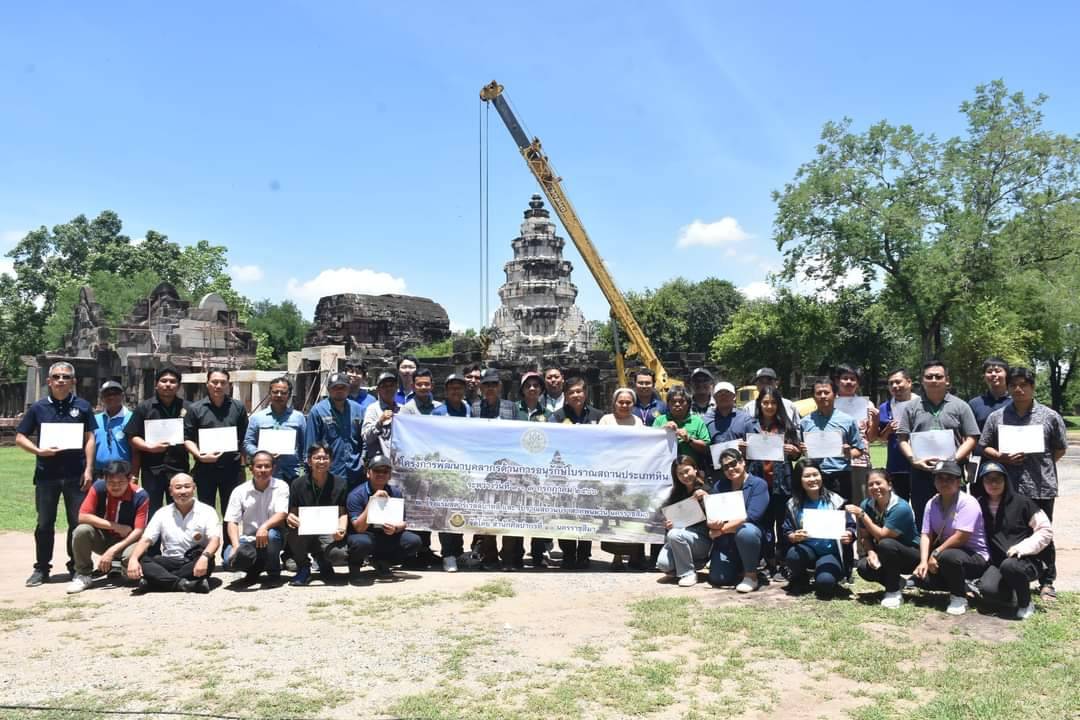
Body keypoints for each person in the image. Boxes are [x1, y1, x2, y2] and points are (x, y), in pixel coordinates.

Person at [977, 366, 1066, 601]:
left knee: (1042, 533)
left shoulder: (1049, 416)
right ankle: (1012, 574)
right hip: (1009, 488)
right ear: (1008, 388)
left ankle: (1047, 582)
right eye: (1014, 385)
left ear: (1032, 387)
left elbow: (1059, 448)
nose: (1018, 389)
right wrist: (1001, 458)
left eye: (1024, 384)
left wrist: (1040, 463)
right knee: (1009, 533)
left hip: (1040, 485)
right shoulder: (998, 417)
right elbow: (983, 445)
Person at [16, 361, 96, 587]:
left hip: (76, 474)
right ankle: (42, 568)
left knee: (77, 523)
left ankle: (77, 567)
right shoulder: (38, 408)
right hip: (46, 475)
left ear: (73, 382)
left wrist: (89, 468)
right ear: (49, 381)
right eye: (57, 377)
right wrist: (38, 450)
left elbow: (90, 438)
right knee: (44, 523)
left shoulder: (82, 406)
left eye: (66, 377)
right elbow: (21, 437)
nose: (61, 380)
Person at [897, 361, 979, 528]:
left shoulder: (961, 406)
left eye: (938, 376)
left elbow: (972, 437)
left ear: (947, 380)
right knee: (923, 516)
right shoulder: (911, 407)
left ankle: (952, 553)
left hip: (951, 471)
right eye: (929, 377)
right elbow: (902, 439)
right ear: (922, 380)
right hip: (921, 472)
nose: (934, 380)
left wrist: (954, 458)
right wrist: (913, 460)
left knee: (954, 517)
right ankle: (925, 552)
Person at [975, 461, 1052, 619]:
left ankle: (1025, 603)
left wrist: (1022, 548)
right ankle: (1013, 593)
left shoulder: (1023, 503)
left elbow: (1045, 530)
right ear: (982, 482)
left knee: (1011, 566)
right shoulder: (979, 505)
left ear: (1006, 481)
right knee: (988, 590)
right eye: (988, 479)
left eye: (998, 479)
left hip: (1026, 560)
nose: (993, 483)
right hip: (998, 563)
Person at [912, 460, 989, 616]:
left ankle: (959, 597)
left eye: (950, 478)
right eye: (940, 478)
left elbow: (961, 537)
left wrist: (935, 554)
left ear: (959, 481)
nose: (944, 482)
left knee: (949, 557)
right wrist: (922, 561)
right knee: (921, 577)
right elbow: (926, 534)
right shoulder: (931, 503)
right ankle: (961, 585)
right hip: (947, 553)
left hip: (974, 555)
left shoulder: (968, 502)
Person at [126, 473, 221, 594]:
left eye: (187, 486)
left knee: (209, 559)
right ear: (171, 491)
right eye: (178, 487)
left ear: (194, 488)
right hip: (169, 561)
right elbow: (146, 539)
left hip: (194, 561)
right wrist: (133, 559)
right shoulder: (162, 513)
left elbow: (215, 540)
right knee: (143, 560)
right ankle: (186, 584)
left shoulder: (207, 511)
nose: (183, 491)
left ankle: (157, 581)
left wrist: (204, 558)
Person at [67, 460, 150, 594]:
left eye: (120, 483)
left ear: (130, 479)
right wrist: (116, 526)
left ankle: (120, 567)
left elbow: (139, 530)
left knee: (130, 573)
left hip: (128, 542)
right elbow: (83, 516)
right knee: (81, 530)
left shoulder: (140, 495)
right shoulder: (98, 487)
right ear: (104, 479)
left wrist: (112, 551)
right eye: (111, 483)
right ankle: (83, 574)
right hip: (103, 538)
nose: (115, 487)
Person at [745, 387, 801, 577]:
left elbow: (797, 453)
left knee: (783, 524)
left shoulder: (787, 426)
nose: (769, 406)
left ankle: (783, 562)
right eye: (765, 402)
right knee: (764, 524)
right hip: (759, 482)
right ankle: (768, 562)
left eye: (773, 403)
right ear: (759, 404)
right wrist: (742, 448)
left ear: (779, 405)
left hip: (782, 482)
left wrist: (794, 451)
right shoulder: (751, 425)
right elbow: (743, 455)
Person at [548, 376, 604, 569]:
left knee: (586, 509)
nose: (576, 395)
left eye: (579, 391)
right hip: (566, 473)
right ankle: (569, 553)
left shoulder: (598, 416)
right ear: (565, 395)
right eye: (571, 392)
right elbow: (550, 443)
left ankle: (584, 554)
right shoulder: (556, 417)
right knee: (567, 512)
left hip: (589, 474)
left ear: (585, 393)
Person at [846, 468, 919, 608]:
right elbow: (865, 537)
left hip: (911, 555)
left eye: (878, 483)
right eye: (870, 484)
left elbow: (881, 535)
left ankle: (893, 592)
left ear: (889, 485)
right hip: (887, 552)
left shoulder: (900, 507)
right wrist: (871, 553)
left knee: (886, 544)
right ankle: (897, 582)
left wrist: (862, 516)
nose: (875, 487)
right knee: (863, 567)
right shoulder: (866, 505)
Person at [472, 369, 523, 569]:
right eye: (486, 385)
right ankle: (490, 557)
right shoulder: (475, 408)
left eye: (494, 384)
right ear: (481, 388)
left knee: (508, 515)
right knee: (489, 513)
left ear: (500, 387)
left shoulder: (511, 408)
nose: (490, 388)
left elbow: (519, 433)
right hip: (486, 465)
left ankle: (508, 558)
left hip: (508, 463)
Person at [782, 462, 855, 597]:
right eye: (807, 476)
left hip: (831, 553)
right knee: (793, 555)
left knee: (825, 583)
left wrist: (849, 534)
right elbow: (787, 530)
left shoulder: (836, 501)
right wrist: (793, 536)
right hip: (807, 550)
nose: (812, 479)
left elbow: (850, 525)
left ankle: (825, 574)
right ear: (799, 480)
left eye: (815, 475)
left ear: (821, 476)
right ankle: (801, 577)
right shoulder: (793, 504)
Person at [183, 368, 249, 518]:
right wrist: (199, 455)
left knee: (231, 511)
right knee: (206, 511)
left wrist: (243, 466)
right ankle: (207, 542)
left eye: (222, 382)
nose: (218, 386)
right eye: (214, 382)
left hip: (232, 468)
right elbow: (187, 438)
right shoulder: (195, 409)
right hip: (205, 468)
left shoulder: (238, 407)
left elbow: (244, 437)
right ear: (207, 384)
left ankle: (229, 542)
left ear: (228, 385)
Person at [125, 366, 190, 516]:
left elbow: (193, 436)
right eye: (164, 381)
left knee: (180, 509)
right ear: (156, 384)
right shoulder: (144, 408)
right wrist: (149, 447)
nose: (168, 384)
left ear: (178, 386)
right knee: (152, 510)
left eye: (173, 381)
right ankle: (153, 540)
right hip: (152, 469)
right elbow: (132, 437)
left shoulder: (188, 408)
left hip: (178, 467)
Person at [346, 453, 421, 579]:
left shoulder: (395, 492)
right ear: (368, 473)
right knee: (361, 543)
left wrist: (395, 529)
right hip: (365, 535)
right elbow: (359, 528)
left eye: (385, 471)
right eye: (376, 470)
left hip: (386, 535)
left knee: (414, 541)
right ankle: (354, 566)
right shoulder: (356, 495)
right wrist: (372, 502)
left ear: (390, 475)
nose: (381, 474)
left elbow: (403, 522)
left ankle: (383, 562)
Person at [285, 443, 349, 586]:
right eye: (317, 458)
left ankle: (323, 560)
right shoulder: (297, 484)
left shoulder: (340, 483)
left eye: (325, 458)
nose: (321, 462)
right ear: (309, 461)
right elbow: (293, 512)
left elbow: (343, 513)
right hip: (305, 530)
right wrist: (290, 518)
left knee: (340, 555)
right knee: (292, 528)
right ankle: (303, 567)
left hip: (329, 531)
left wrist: (342, 529)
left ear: (330, 461)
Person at [222, 450, 289, 585]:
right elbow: (232, 521)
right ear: (251, 468)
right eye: (259, 466)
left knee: (271, 535)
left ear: (273, 468)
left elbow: (282, 514)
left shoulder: (281, 486)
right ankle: (255, 569)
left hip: (273, 535)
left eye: (267, 466)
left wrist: (264, 527)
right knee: (228, 563)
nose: (263, 470)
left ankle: (274, 573)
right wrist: (236, 547)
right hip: (249, 539)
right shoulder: (239, 491)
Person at [707, 449, 769, 593]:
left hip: (749, 536)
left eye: (733, 463)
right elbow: (711, 515)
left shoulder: (759, 484)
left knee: (746, 530)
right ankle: (739, 567)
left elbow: (751, 516)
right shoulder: (719, 486)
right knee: (718, 579)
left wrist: (721, 530)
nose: (730, 469)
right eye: (725, 467)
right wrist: (712, 525)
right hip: (726, 541)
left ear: (743, 462)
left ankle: (751, 576)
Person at [598, 387, 647, 571]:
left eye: (628, 402)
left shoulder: (638, 422)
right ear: (614, 403)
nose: (625, 405)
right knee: (613, 512)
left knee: (631, 513)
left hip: (632, 474)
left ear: (633, 404)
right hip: (610, 474)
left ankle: (635, 557)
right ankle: (617, 557)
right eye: (621, 402)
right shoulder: (606, 420)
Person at [429, 374, 472, 572]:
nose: (457, 391)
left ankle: (459, 551)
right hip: (444, 471)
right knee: (444, 511)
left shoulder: (468, 410)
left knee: (460, 510)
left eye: (460, 388)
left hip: (463, 469)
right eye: (452, 388)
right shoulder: (438, 413)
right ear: (446, 391)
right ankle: (448, 554)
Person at [797, 378, 864, 501]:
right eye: (819, 393)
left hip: (840, 475)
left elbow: (859, 449)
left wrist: (848, 453)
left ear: (835, 395)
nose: (823, 396)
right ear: (813, 397)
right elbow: (800, 450)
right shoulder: (805, 422)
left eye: (826, 392)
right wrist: (802, 450)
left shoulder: (848, 420)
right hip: (815, 476)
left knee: (841, 515)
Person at [656, 455, 711, 587]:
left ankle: (688, 573)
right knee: (663, 564)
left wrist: (708, 498)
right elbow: (665, 514)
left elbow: (719, 514)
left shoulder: (707, 488)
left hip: (702, 538)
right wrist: (667, 523)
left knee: (674, 534)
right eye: (680, 474)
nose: (685, 476)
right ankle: (692, 563)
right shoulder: (676, 493)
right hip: (680, 535)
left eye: (687, 471)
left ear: (695, 469)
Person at [243, 376, 306, 483]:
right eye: (275, 392)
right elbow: (248, 443)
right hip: (264, 473)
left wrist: (305, 471)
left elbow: (305, 445)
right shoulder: (257, 418)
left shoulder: (298, 417)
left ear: (289, 395)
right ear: (270, 393)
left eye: (283, 392)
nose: (279, 395)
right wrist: (262, 453)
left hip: (291, 473)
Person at [308, 372, 365, 487]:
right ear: (329, 389)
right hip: (328, 473)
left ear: (348, 389)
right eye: (335, 387)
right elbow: (311, 445)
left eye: (343, 387)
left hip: (354, 471)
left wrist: (362, 461)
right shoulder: (318, 411)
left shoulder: (359, 410)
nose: (339, 390)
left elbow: (364, 440)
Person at [870, 368, 918, 501]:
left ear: (909, 382)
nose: (895, 386)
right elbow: (878, 439)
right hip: (896, 467)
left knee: (922, 506)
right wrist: (888, 430)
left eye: (898, 382)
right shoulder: (885, 408)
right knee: (898, 507)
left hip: (920, 464)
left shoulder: (923, 405)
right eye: (891, 384)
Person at [833, 364, 875, 505]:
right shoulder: (829, 403)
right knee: (837, 504)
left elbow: (872, 437)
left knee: (860, 504)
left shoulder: (867, 405)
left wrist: (874, 420)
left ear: (857, 383)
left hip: (860, 462)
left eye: (853, 379)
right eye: (845, 378)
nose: (849, 382)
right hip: (834, 463)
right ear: (838, 381)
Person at [653, 386, 710, 467]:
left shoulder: (697, 421)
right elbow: (650, 444)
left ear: (688, 404)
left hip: (689, 471)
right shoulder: (660, 420)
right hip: (664, 469)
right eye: (673, 401)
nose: (677, 404)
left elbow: (706, 448)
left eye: (681, 401)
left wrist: (689, 440)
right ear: (668, 404)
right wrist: (662, 431)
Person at [92, 381, 134, 477]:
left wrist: (134, 473)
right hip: (99, 472)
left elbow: (135, 451)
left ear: (122, 396)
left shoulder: (131, 418)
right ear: (102, 398)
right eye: (107, 394)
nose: (111, 397)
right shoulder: (95, 419)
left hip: (123, 472)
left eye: (115, 394)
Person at [969, 357, 1011, 431]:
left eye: (998, 371)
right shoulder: (974, 404)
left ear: (1006, 374)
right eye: (989, 371)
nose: (993, 374)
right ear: (984, 377)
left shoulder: (1017, 401)